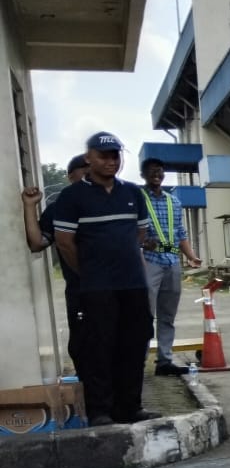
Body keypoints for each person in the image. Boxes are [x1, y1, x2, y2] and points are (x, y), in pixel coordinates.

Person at [47, 133, 157, 426]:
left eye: (115, 156)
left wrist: (123, 261)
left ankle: (130, 407)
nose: (111, 161)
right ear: (89, 158)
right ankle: (100, 411)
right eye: (103, 155)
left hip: (132, 284)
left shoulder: (132, 193)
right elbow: (65, 242)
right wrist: (91, 272)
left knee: (134, 344)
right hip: (96, 288)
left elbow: (140, 234)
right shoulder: (72, 197)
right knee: (99, 348)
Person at [20, 154, 89, 371]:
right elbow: (37, 243)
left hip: (116, 288)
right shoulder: (60, 208)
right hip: (81, 290)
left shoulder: (114, 202)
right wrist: (30, 207)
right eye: (84, 170)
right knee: (82, 345)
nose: (90, 174)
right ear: (70, 176)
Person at [138, 157, 203, 376]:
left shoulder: (173, 201)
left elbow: (180, 233)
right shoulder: (139, 199)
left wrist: (192, 256)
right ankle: (138, 361)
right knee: (145, 315)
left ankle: (164, 361)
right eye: (151, 171)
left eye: (160, 171)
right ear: (143, 175)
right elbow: (131, 230)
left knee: (167, 315)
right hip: (149, 261)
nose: (156, 174)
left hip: (172, 262)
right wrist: (141, 242)